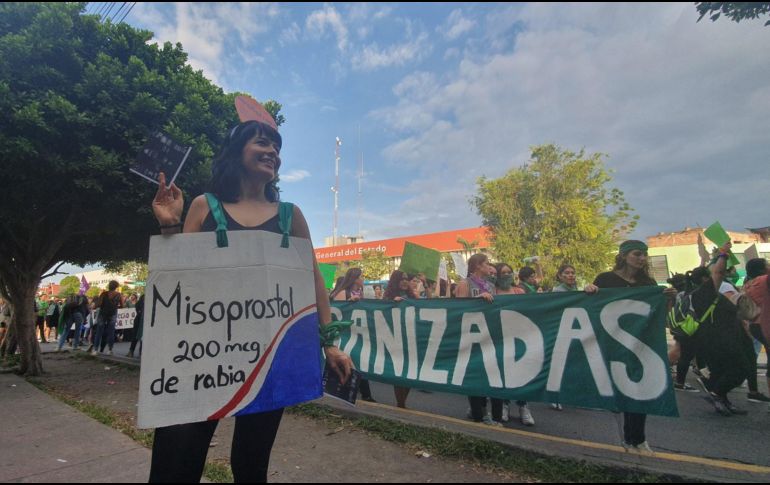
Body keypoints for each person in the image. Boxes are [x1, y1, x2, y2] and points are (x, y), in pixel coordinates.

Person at [149, 115, 354, 483]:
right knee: (177, 459)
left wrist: (330, 344)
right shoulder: (203, 206)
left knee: (251, 464)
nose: (272, 151)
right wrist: (169, 226)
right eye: (261, 142)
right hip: (201, 358)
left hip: (268, 360)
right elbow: (181, 281)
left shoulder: (291, 216)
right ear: (236, 152)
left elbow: (313, 280)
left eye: (276, 147)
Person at [593, 240, 677, 454]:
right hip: (612, 344)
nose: (642, 259)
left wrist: (667, 301)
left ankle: (637, 438)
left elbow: (657, 317)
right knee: (620, 389)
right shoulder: (605, 280)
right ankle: (629, 438)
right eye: (637, 254)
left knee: (639, 389)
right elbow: (591, 307)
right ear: (623, 256)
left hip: (639, 344)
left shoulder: (647, 284)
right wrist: (590, 290)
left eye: (644, 255)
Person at [689, 243, 753, 417]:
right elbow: (718, 272)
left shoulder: (704, 293)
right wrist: (723, 254)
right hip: (719, 339)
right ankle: (717, 394)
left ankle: (722, 400)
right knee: (741, 368)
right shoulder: (705, 293)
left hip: (718, 338)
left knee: (722, 370)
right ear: (705, 279)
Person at [456, 255, 503, 426]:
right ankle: (478, 414)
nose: (489, 266)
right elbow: (459, 310)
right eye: (486, 263)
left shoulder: (491, 286)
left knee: (494, 373)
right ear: (477, 265)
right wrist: (478, 300)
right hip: (472, 337)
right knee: (476, 375)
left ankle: (495, 416)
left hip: (490, 335)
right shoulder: (465, 284)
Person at [549, 264, 600, 409]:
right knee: (560, 365)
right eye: (567, 273)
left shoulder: (578, 290)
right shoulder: (557, 292)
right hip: (561, 332)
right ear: (560, 276)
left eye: (573, 273)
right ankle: (555, 396)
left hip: (576, 331)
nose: (571, 275)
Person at [330, 268, 375, 402]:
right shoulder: (343, 292)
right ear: (355, 278)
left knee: (359, 362)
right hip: (345, 335)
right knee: (349, 364)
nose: (363, 279)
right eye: (362, 277)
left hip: (358, 334)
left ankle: (365, 395)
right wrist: (350, 301)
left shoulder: (362, 293)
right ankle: (360, 395)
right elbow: (338, 312)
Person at [383, 270, 418, 408]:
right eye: (401, 279)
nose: (405, 281)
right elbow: (381, 313)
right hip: (396, 339)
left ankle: (402, 402)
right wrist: (392, 303)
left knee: (410, 371)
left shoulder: (411, 296)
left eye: (406, 279)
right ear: (395, 281)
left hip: (411, 338)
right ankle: (401, 404)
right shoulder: (388, 297)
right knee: (399, 371)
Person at [740, 258, 770, 403]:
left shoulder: (748, 284)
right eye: (767, 265)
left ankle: (755, 391)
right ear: (762, 269)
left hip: (754, 324)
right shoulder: (764, 280)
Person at [94, 281, 122, 356]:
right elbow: (122, 305)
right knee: (111, 332)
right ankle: (110, 350)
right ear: (116, 287)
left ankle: (95, 349)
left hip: (103, 313)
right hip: (113, 313)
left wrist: (95, 306)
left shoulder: (104, 294)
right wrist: (115, 306)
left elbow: (98, 304)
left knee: (99, 332)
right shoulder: (118, 295)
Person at [127, 293, 144, 359]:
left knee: (135, 336)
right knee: (142, 337)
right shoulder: (144, 303)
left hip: (138, 320)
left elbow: (137, 311)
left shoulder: (138, 303)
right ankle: (141, 352)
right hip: (141, 321)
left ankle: (131, 351)